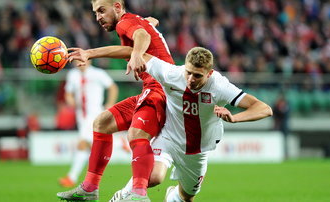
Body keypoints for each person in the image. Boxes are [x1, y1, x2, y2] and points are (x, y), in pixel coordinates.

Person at [67, 45, 273, 202]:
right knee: (153, 176)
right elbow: (133, 51)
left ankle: (172, 196)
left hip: (197, 150)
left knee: (186, 196)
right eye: (189, 72)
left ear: (209, 74)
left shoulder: (219, 85)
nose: (191, 79)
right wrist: (90, 53)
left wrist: (235, 118)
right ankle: (123, 196)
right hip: (168, 137)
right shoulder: (172, 73)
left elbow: (264, 108)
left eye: (198, 75)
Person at [57, 0, 174, 201]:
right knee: (102, 123)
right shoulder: (131, 23)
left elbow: (142, 35)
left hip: (163, 89)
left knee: (136, 134)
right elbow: (137, 39)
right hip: (154, 89)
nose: (98, 17)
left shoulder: (124, 23)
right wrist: (146, 30)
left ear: (118, 7)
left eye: (102, 11)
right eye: (95, 13)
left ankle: (138, 194)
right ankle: (89, 188)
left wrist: (137, 53)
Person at [59, 60, 118, 188]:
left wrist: (110, 103)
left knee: (82, 144)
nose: (79, 63)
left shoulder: (98, 73)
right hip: (81, 116)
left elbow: (112, 87)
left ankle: (72, 177)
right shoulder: (72, 75)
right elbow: (68, 93)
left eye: (82, 60)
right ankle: (119, 144)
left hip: (95, 113)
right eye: (77, 61)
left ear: (89, 60)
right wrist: (70, 100)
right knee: (90, 147)